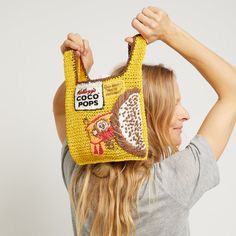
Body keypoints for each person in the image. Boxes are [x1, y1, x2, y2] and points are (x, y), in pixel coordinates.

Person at [53, 6, 236, 236]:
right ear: (144, 116)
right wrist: (169, 33)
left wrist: (79, 72)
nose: (186, 114)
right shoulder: (171, 184)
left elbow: (61, 112)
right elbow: (233, 89)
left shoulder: (80, 175)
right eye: (174, 103)